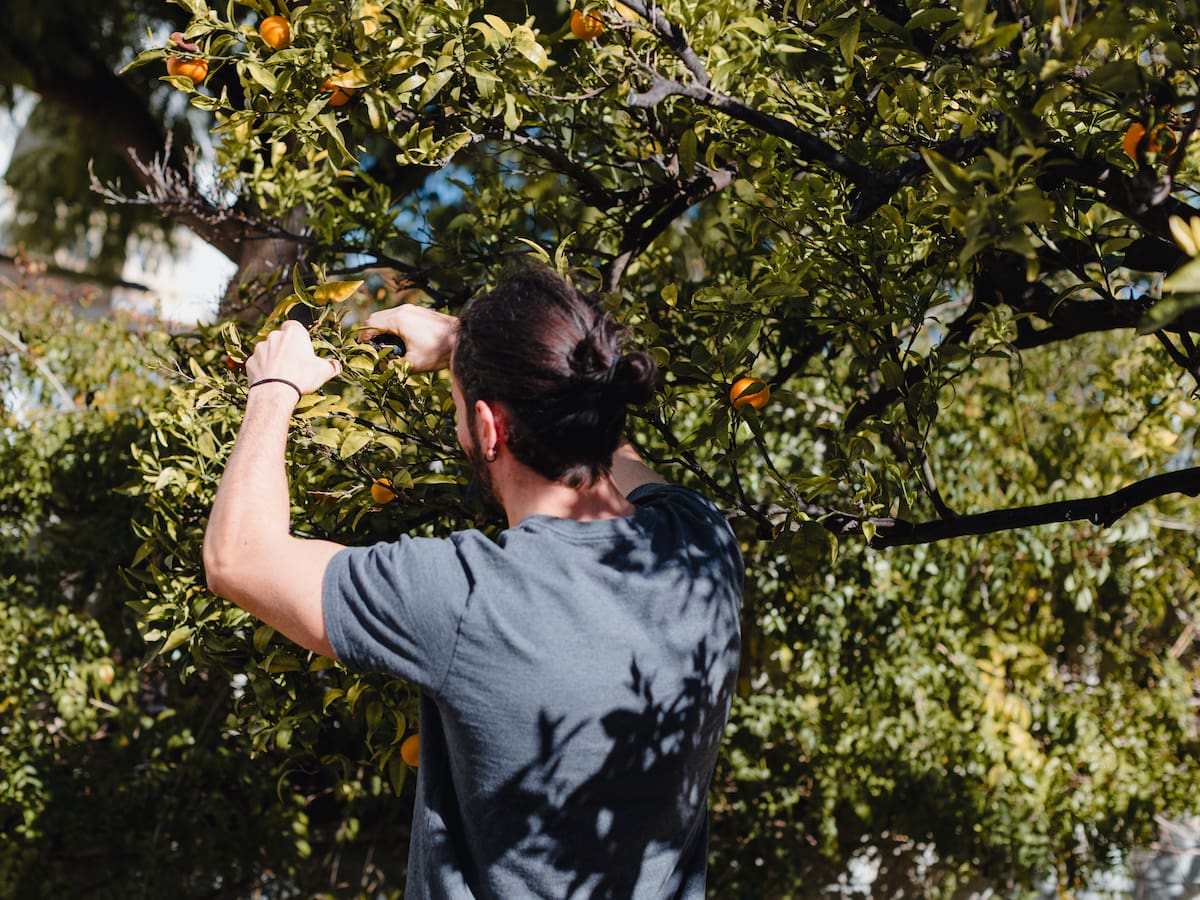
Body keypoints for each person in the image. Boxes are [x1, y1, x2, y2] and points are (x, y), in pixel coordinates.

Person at [203, 265, 744, 899]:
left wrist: (274, 388)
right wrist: (469, 347)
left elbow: (237, 557)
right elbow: (605, 444)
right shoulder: (700, 543)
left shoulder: (469, 597)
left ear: (488, 429)